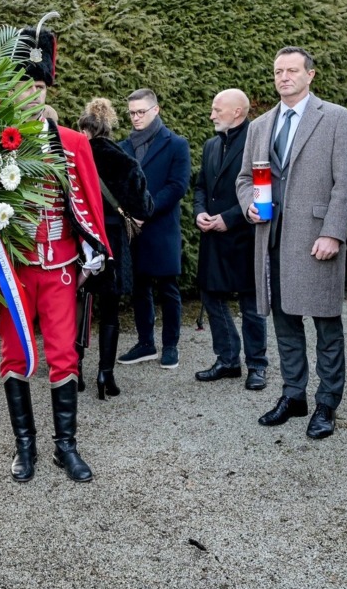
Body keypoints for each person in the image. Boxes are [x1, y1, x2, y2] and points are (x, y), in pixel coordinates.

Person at [0, 19, 111, 484]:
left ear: (48, 89)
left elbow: (89, 202)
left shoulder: (74, 141)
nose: (32, 94)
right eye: (23, 86)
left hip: (62, 264)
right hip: (15, 269)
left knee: (64, 355)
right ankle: (25, 448)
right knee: (16, 355)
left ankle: (67, 446)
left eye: (39, 85)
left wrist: (92, 253)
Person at [235, 46, 347, 439]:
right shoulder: (259, 126)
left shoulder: (336, 118)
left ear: (310, 75)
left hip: (315, 238)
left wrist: (333, 232)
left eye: (291, 71)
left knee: (326, 325)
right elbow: (244, 180)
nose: (283, 77)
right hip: (270, 237)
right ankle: (293, 395)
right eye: (277, 71)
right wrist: (250, 207)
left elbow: (345, 182)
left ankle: (327, 402)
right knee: (284, 322)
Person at [78, 98, 154, 399]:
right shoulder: (122, 158)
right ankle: (104, 374)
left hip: (80, 237)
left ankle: (74, 372)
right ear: (109, 127)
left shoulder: (71, 155)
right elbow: (143, 204)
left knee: (77, 306)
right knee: (109, 310)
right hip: (111, 240)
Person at [194, 89, 268, 391]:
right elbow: (200, 186)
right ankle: (227, 359)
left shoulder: (258, 140)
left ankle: (257, 366)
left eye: (217, 110)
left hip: (245, 235)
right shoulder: (211, 144)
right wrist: (199, 212)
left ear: (238, 112)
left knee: (251, 304)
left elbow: (263, 190)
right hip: (212, 236)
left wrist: (230, 218)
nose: (212, 115)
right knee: (212, 297)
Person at [117, 89, 190, 369]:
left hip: (161, 227)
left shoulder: (176, 144)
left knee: (168, 288)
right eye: (132, 113)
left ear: (155, 110)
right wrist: (129, 214)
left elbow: (177, 186)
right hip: (132, 228)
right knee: (139, 288)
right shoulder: (123, 146)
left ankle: (171, 346)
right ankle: (145, 343)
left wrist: (146, 211)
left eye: (140, 112)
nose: (135, 118)